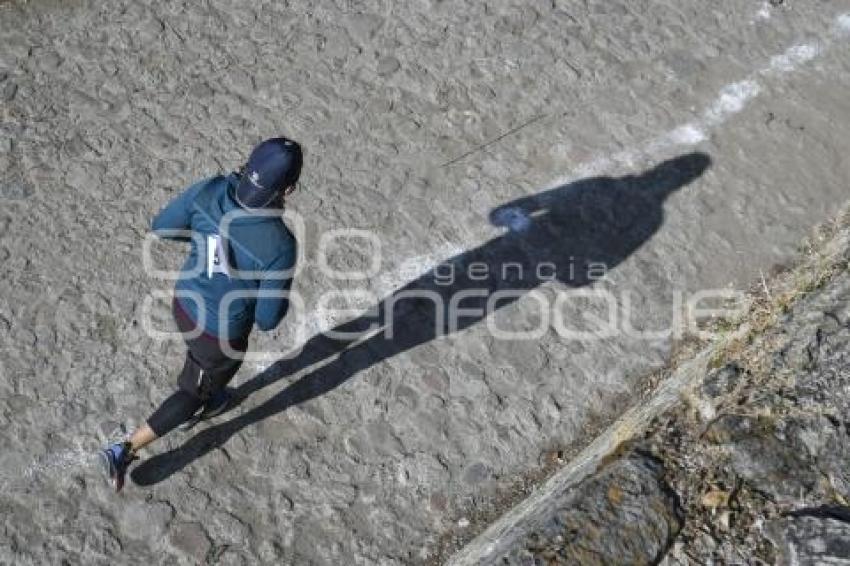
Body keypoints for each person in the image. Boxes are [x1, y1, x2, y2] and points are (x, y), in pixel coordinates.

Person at [99, 137, 302, 491]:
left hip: (183, 304)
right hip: (219, 337)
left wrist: (204, 241)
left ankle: (213, 391)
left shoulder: (210, 189)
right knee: (193, 393)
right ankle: (125, 448)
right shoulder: (280, 245)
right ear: (289, 189)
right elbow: (269, 320)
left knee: (205, 368)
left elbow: (162, 226)